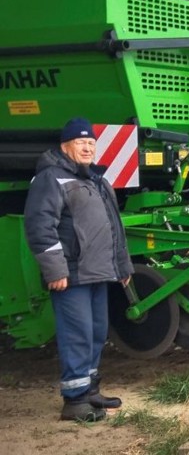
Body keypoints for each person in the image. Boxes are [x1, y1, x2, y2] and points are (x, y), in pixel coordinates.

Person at [24, 118, 134, 422]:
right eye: (80, 143)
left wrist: (122, 265)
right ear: (65, 146)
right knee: (78, 335)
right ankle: (73, 401)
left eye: (91, 143)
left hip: (98, 272)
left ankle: (89, 391)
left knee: (97, 333)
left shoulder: (97, 180)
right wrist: (55, 269)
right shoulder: (51, 179)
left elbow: (115, 228)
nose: (87, 148)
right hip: (71, 274)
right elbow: (39, 227)